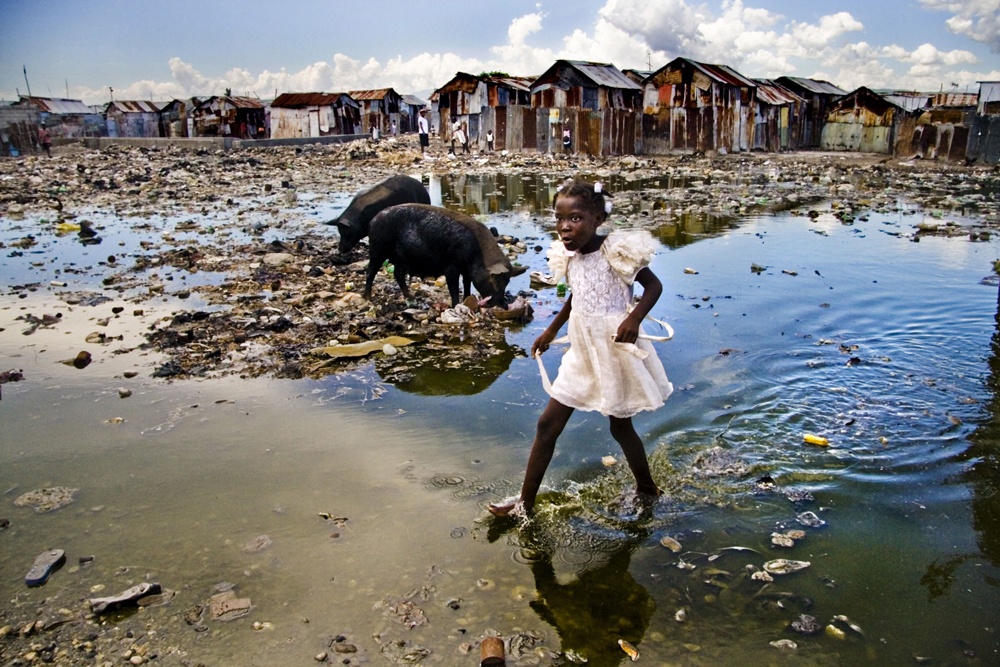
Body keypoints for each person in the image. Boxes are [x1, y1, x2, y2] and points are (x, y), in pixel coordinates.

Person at [489, 179, 672, 517]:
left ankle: (647, 488)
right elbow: (576, 295)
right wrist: (551, 329)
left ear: (597, 219)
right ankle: (524, 505)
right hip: (582, 350)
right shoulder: (569, 258)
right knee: (547, 425)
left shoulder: (616, 252)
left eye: (575, 219)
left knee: (620, 426)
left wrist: (633, 319)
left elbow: (653, 287)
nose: (564, 227)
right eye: (559, 219)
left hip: (614, 347)